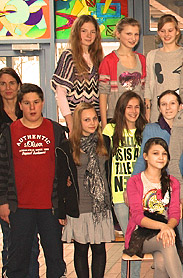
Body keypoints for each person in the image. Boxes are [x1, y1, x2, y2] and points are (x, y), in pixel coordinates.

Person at [0, 83, 67, 278]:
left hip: (50, 207)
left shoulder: (56, 130)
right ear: (20, 105)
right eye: (27, 103)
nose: (32, 108)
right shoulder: (8, 133)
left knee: (55, 259)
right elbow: (0, 169)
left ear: (42, 103)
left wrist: (64, 205)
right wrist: (2, 202)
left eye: (36, 102)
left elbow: (65, 171)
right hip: (20, 207)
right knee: (18, 259)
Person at [0, 68, 40, 277]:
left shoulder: (28, 109)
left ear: (18, 85)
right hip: (5, 184)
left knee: (32, 239)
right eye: (3, 84)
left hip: (29, 184)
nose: (8, 88)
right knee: (11, 238)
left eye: (12, 83)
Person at [58, 103, 114, 278]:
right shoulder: (67, 146)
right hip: (79, 207)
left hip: (101, 207)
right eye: (87, 120)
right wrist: (61, 210)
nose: (92, 123)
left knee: (99, 249)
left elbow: (110, 171)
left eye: (95, 119)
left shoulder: (105, 141)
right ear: (78, 122)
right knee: (80, 249)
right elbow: (60, 181)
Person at [101, 91, 147, 278]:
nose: (133, 111)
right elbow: (103, 162)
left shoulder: (145, 130)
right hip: (119, 194)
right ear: (122, 108)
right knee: (131, 239)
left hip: (143, 195)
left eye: (137, 107)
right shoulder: (111, 130)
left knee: (135, 239)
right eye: (129, 107)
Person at [125, 138, 183, 278]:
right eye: (156, 153)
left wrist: (168, 227)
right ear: (145, 156)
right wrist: (163, 227)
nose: (161, 157)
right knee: (167, 243)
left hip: (166, 232)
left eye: (164, 154)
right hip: (141, 235)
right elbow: (137, 216)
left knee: (162, 262)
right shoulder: (135, 182)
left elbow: (175, 213)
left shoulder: (173, 182)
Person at [52, 15, 103, 130]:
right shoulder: (69, 57)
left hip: (94, 123)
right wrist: (70, 122)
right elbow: (60, 93)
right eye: (84, 31)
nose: (88, 35)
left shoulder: (98, 58)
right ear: (76, 32)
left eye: (92, 32)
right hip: (77, 123)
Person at [98, 17, 146, 127]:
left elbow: (144, 93)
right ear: (118, 34)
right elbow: (103, 94)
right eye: (129, 34)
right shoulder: (109, 61)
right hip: (115, 118)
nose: (133, 38)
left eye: (136, 34)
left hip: (137, 119)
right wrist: (104, 124)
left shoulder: (142, 60)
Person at [144, 15, 183, 122]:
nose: (166, 34)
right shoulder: (152, 55)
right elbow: (148, 85)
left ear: (177, 31)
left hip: (182, 111)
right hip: (158, 112)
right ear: (158, 33)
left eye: (170, 30)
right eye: (163, 31)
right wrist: (148, 111)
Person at [133, 90, 183, 174]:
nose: (168, 107)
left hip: (182, 181)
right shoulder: (151, 129)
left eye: (172, 103)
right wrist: (133, 183)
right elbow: (142, 159)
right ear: (159, 108)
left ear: (180, 107)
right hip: (158, 182)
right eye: (164, 104)